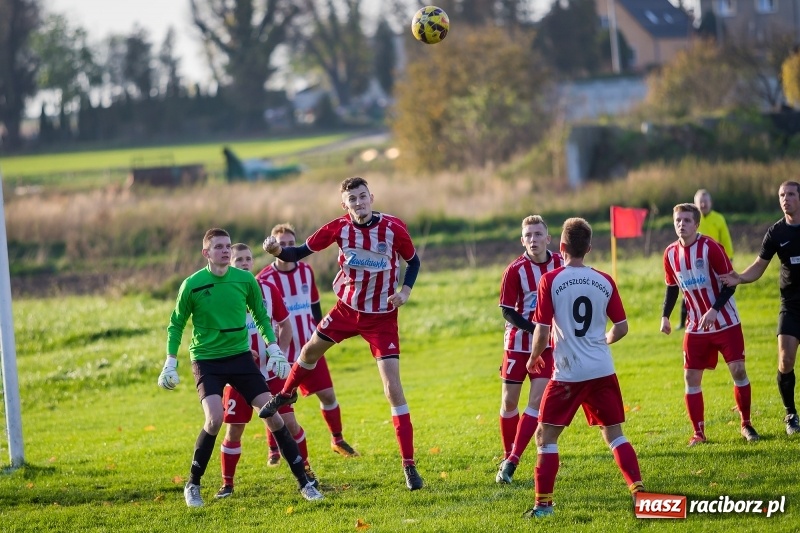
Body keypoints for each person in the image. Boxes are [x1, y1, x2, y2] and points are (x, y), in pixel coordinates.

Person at [258, 177, 424, 491]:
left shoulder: (393, 228)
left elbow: (413, 262)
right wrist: (278, 249)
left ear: (371, 197)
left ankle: (409, 466)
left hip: (382, 318)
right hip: (346, 311)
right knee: (308, 352)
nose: (359, 203)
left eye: (363, 197)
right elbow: (298, 253)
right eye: (353, 199)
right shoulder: (338, 228)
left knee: (393, 389)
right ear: (344, 205)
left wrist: (405, 290)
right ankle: (286, 394)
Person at [158, 228, 323, 508]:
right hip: (207, 360)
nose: (224, 250)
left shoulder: (246, 280)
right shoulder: (192, 284)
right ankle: (193, 484)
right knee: (214, 419)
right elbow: (176, 324)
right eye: (218, 247)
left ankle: (304, 484)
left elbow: (261, 316)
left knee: (274, 415)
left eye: (227, 246)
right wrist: (170, 361)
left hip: (240, 357)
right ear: (206, 253)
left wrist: (273, 349)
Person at [524, 217, 643, 518]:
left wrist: (534, 356)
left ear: (561, 247)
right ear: (589, 247)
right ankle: (640, 492)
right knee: (614, 434)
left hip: (567, 373)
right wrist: (603, 340)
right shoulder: (604, 280)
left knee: (545, 437)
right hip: (602, 369)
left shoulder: (550, 280)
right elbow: (623, 327)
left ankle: (543, 506)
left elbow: (540, 330)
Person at [216, 243, 318, 499]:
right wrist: (235, 351)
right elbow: (215, 333)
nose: (244, 263)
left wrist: (278, 353)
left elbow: (286, 326)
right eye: (238, 259)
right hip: (238, 375)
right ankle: (227, 484)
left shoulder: (268, 290)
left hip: (270, 375)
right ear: (230, 262)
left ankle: (306, 473)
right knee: (234, 430)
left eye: (248, 259)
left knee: (290, 424)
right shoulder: (222, 294)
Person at [257, 223, 360, 462]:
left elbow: (315, 307)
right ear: (273, 246)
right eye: (281, 244)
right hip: (282, 352)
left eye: (291, 244)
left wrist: (323, 336)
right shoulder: (263, 278)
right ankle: (274, 451)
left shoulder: (306, 271)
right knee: (277, 404)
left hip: (309, 349)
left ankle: (337, 439)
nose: (286, 248)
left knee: (328, 395)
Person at [661, 203, 758, 446]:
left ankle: (746, 424)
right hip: (695, 326)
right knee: (691, 377)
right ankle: (699, 433)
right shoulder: (670, 254)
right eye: (677, 220)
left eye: (686, 220)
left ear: (696, 224)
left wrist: (714, 310)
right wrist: (665, 316)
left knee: (738, 371)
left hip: (725, 321)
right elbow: (672, 288)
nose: (681, 224)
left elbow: (731, 282)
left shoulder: (711, 248)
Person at [720, 181, 800, 435]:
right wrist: (739, 278)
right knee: (785, 359)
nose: (785, 199)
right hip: (791, 306)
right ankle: (791, 415)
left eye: (790, 194)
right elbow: (759, 265)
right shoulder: (776, 233)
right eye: (781, 195)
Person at [495, 215, 562, 484]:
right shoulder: (515, 270)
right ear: (522, 241)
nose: (533, 239)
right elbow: (507, 311)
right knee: (509, 402)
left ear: (548, 238)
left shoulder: (560, 263)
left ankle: (513, 460)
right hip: (517, 344)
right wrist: (536, 328)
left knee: (535, 402)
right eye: (528, 236)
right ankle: (507, 452)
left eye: (538, 234)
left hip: (546, 348)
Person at [679, 189, 734, 328]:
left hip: (714, 262)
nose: (703, 204)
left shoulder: (718, 218)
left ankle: (721, 318)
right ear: (695, 203)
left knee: (715, 290)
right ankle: (683, 322)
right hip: (694, 262)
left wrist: (729, 257)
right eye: (700, 202)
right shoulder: (690, 219)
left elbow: (725, 239)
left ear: (711, 203)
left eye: (705, 201)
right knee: (689, 292)